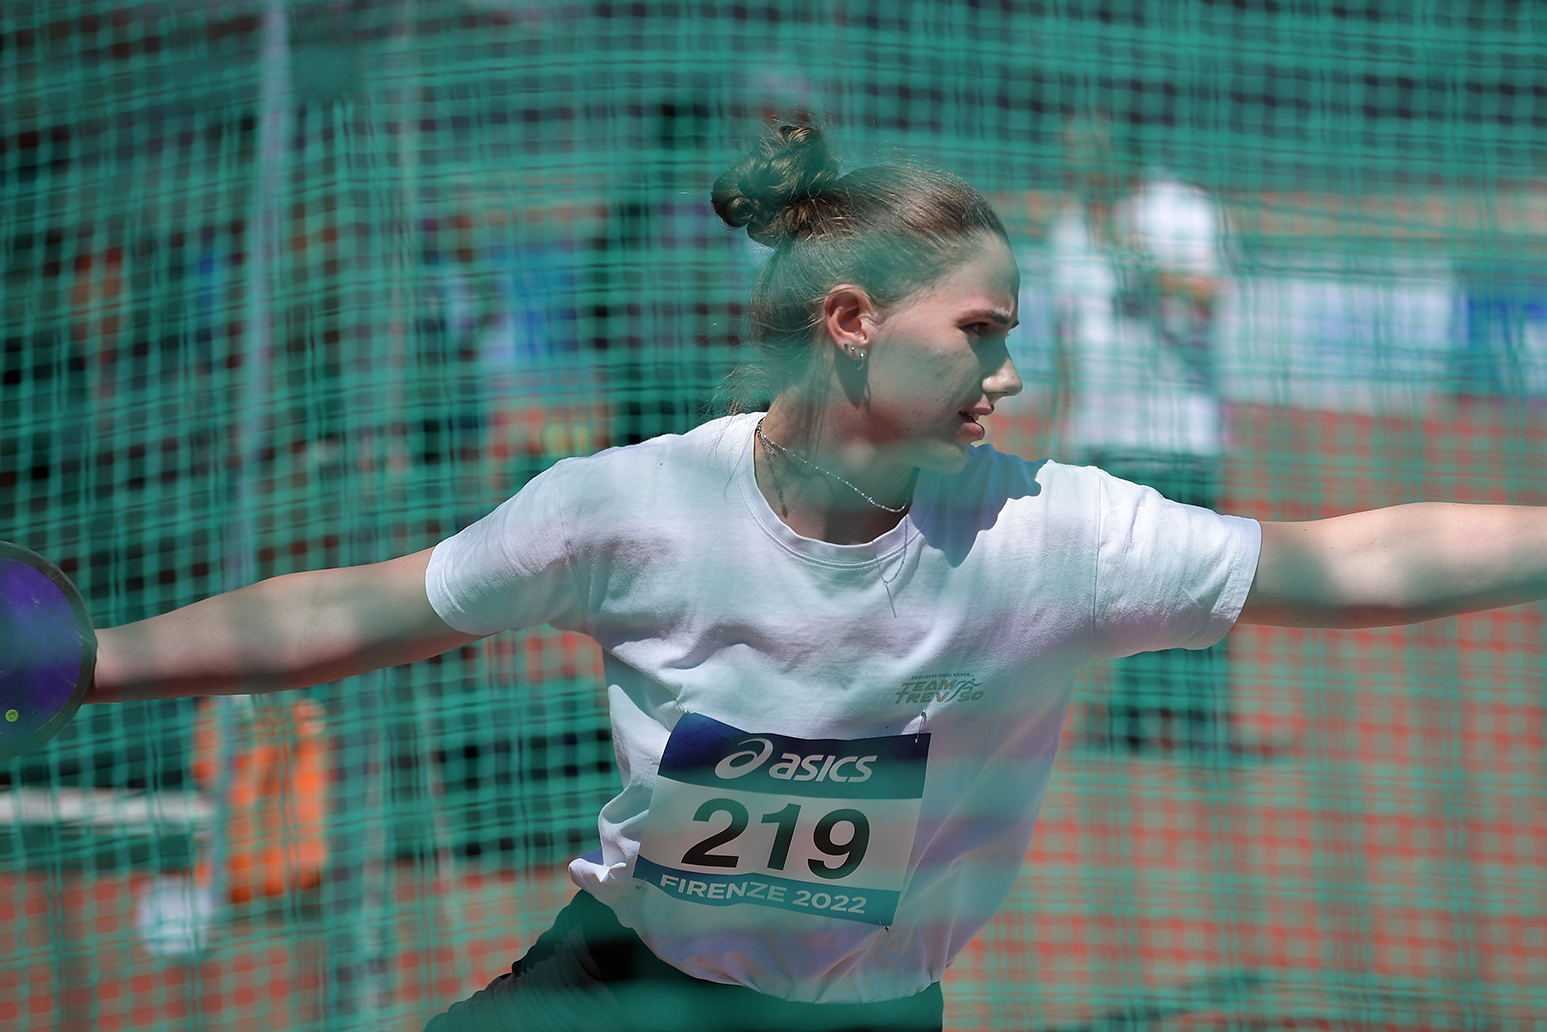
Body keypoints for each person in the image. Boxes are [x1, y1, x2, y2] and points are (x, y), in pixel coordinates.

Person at [84, 124, 1547, 1032]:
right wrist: (91, 662)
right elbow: (350, 610)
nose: (1007, 371)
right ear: (850, 321)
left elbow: (1350, 560)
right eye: (976, 331)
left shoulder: (1053, 533)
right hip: (620, 987)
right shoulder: (632, 504)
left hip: (860, 1023)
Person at [1047, 113, 1234, 758]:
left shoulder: (1182, 209)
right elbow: (1070, 335)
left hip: (1180, 430)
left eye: (1087, 150)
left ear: (1122, 153)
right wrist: (1064, 426)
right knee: (1117, 581)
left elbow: (1209, 294)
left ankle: (1199, 720)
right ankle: (1128, 716)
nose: (1076, 164)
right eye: (1070, 151)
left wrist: (1141, 260)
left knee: (1197, 572)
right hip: (1105, 432)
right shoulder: (1070, 226)